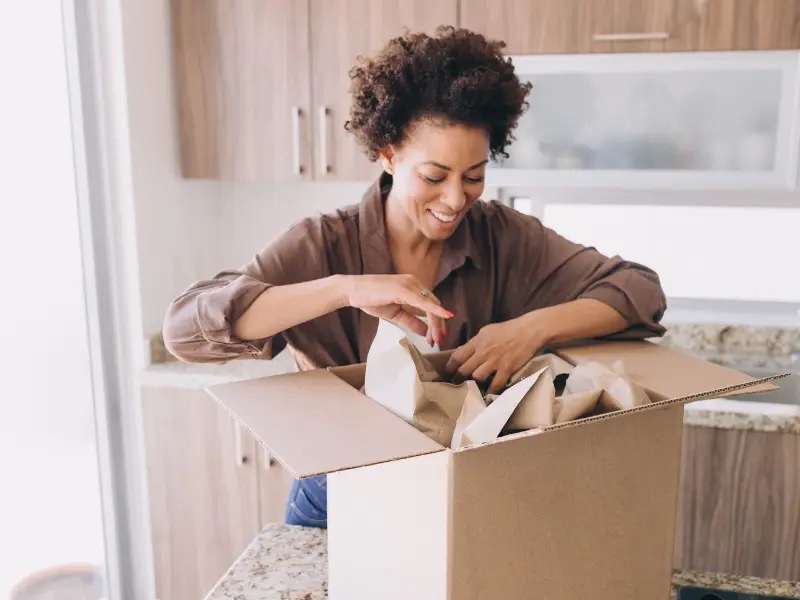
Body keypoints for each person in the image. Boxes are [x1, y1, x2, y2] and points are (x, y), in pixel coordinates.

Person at [162, 26, 667, 529]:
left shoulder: (501, 237)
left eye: (473, 176)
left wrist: (528, 330)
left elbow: (638, 291)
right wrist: (344, 289)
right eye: (433, 176)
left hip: (465, 490)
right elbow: (185, 332)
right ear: (388, 154)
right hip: (341, 494)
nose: (454, 200)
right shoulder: (324, 243)